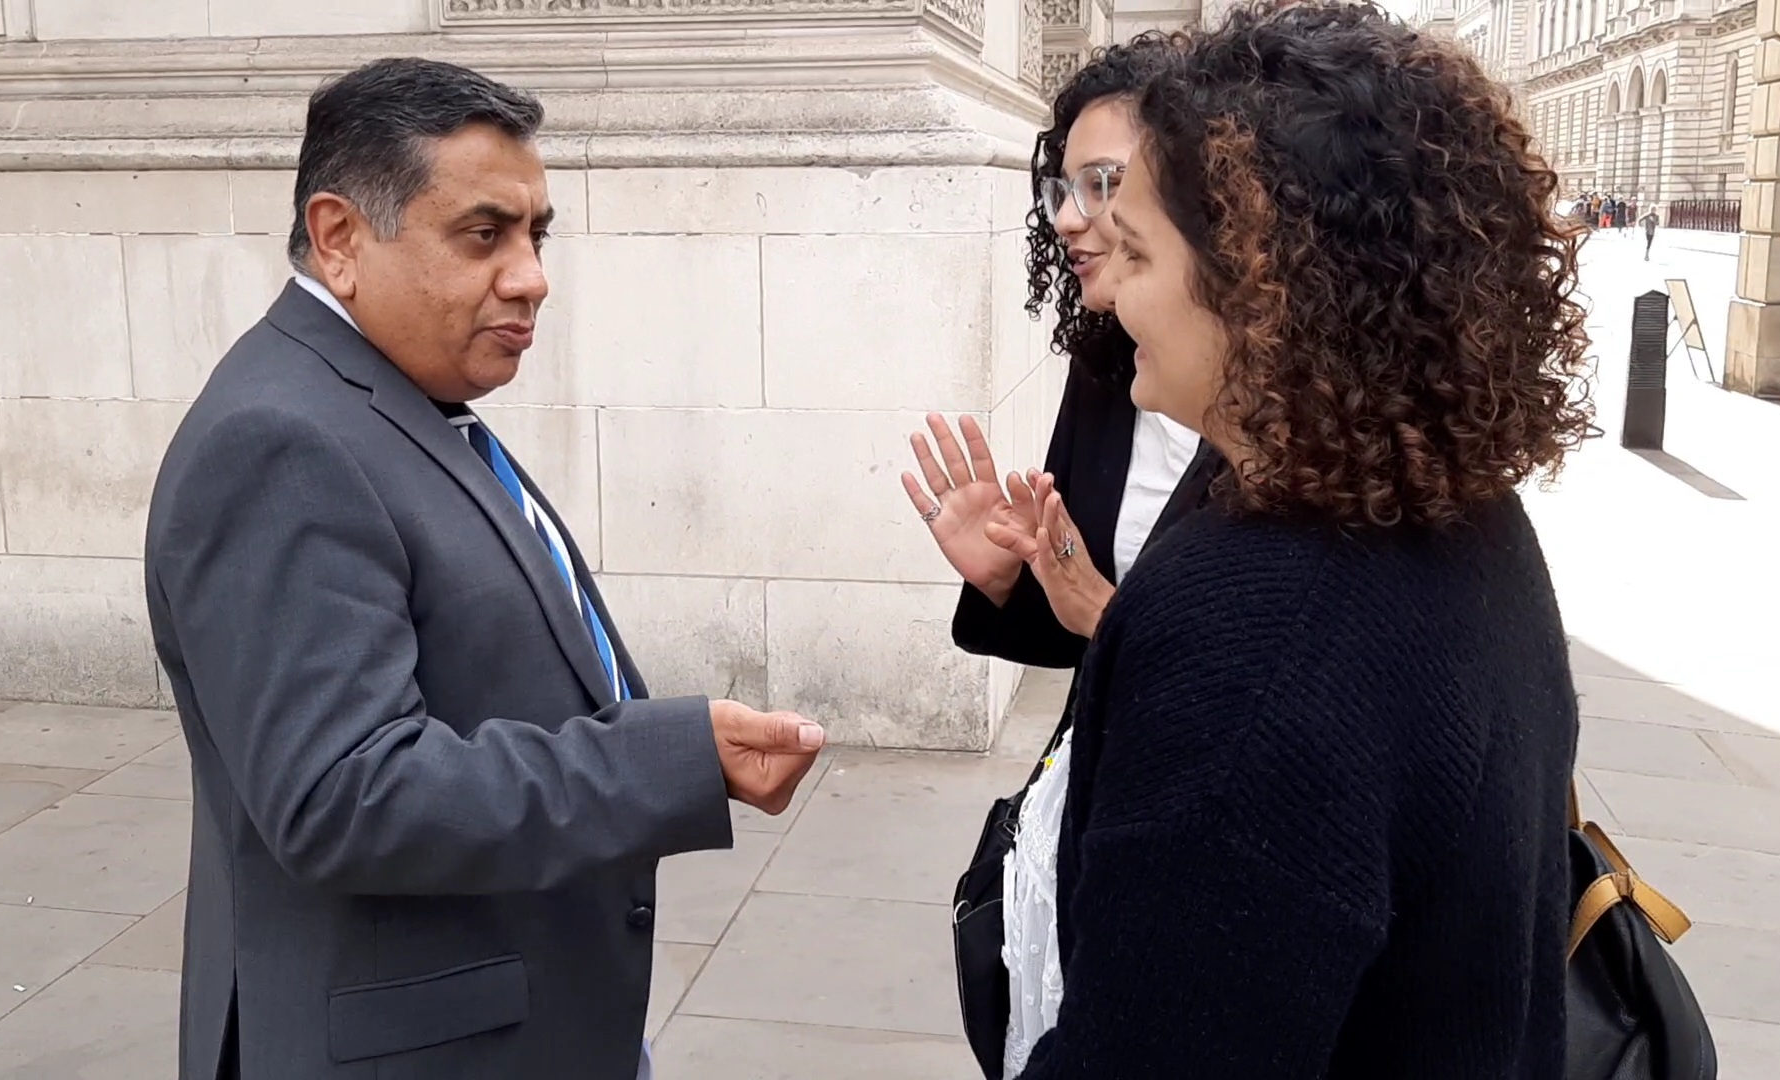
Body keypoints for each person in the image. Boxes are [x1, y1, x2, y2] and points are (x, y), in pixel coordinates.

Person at [144, 58, 826, 1080]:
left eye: (536, 234)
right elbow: (345, 792)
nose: (531, 276)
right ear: (339, 239)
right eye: (484, 234)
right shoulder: (281, 439)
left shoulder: (395, 399)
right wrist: (664, 760)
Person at [1001, 4, 1591, 1077]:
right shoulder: (1457, 506)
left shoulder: (1256, 637)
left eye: (1137, 251)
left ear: (1262, 287)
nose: (1115, 293)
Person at [901, 36, 1213, 668]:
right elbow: (1075, 634)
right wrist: (1010, 579)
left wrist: (1105, 612)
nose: (1068, 218)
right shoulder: (1107, 366)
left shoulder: (1294, 419)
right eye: (1064, 188)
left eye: (1103, 184)